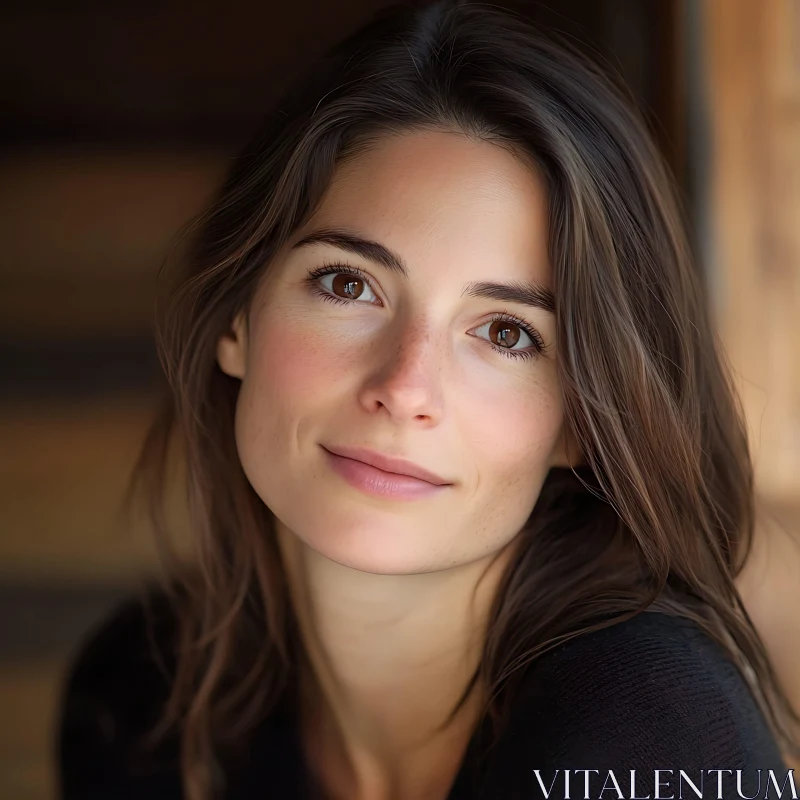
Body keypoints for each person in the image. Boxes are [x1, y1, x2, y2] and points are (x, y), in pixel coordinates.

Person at [56, 2, 800, 799]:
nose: (405, 387)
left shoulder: (647, 735)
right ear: (238, 314)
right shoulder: (135, 706)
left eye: (507, 334)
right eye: (349, 284)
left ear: (580, 424)